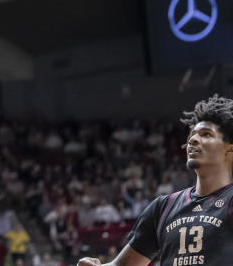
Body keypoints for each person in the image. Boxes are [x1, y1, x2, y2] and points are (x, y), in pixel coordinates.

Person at [76, 94, 233, 266]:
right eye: (192, 134)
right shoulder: (164, 207)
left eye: (206, 134)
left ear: (229, 150)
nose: (193, 139)